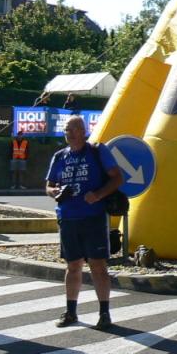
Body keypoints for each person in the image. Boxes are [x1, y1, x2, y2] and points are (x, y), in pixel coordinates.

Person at [46, 115, 124, 329]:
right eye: (66, 130)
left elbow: (117, 178)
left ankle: (104, 314)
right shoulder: (59, 156)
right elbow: (48, 185)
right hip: (67, 218)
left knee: (98, 266)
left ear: (83, 131)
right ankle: (71, 312)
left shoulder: (97, 151)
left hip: (93, 217)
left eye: (73, 129)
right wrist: (55, 192)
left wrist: (98, 195)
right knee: (73, 266)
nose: (69, 134)